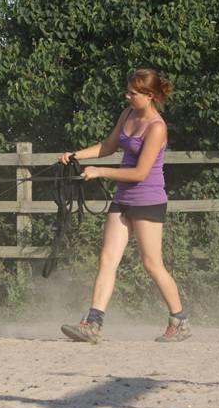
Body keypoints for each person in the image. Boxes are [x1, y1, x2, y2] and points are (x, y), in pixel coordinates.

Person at [59, 68, 191, 343]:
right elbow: (108, 146)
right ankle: (93, 323)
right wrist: (76, 155)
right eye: (128, 91)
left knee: (152, 264)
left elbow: (140, 173)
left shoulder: (157, 127)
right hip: (123, 199)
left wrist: (100, 172)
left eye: (133, 92)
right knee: (107, 259)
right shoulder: (128, 115)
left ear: (150, 95)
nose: (127, 95)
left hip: (148, 200)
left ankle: (179, 320)